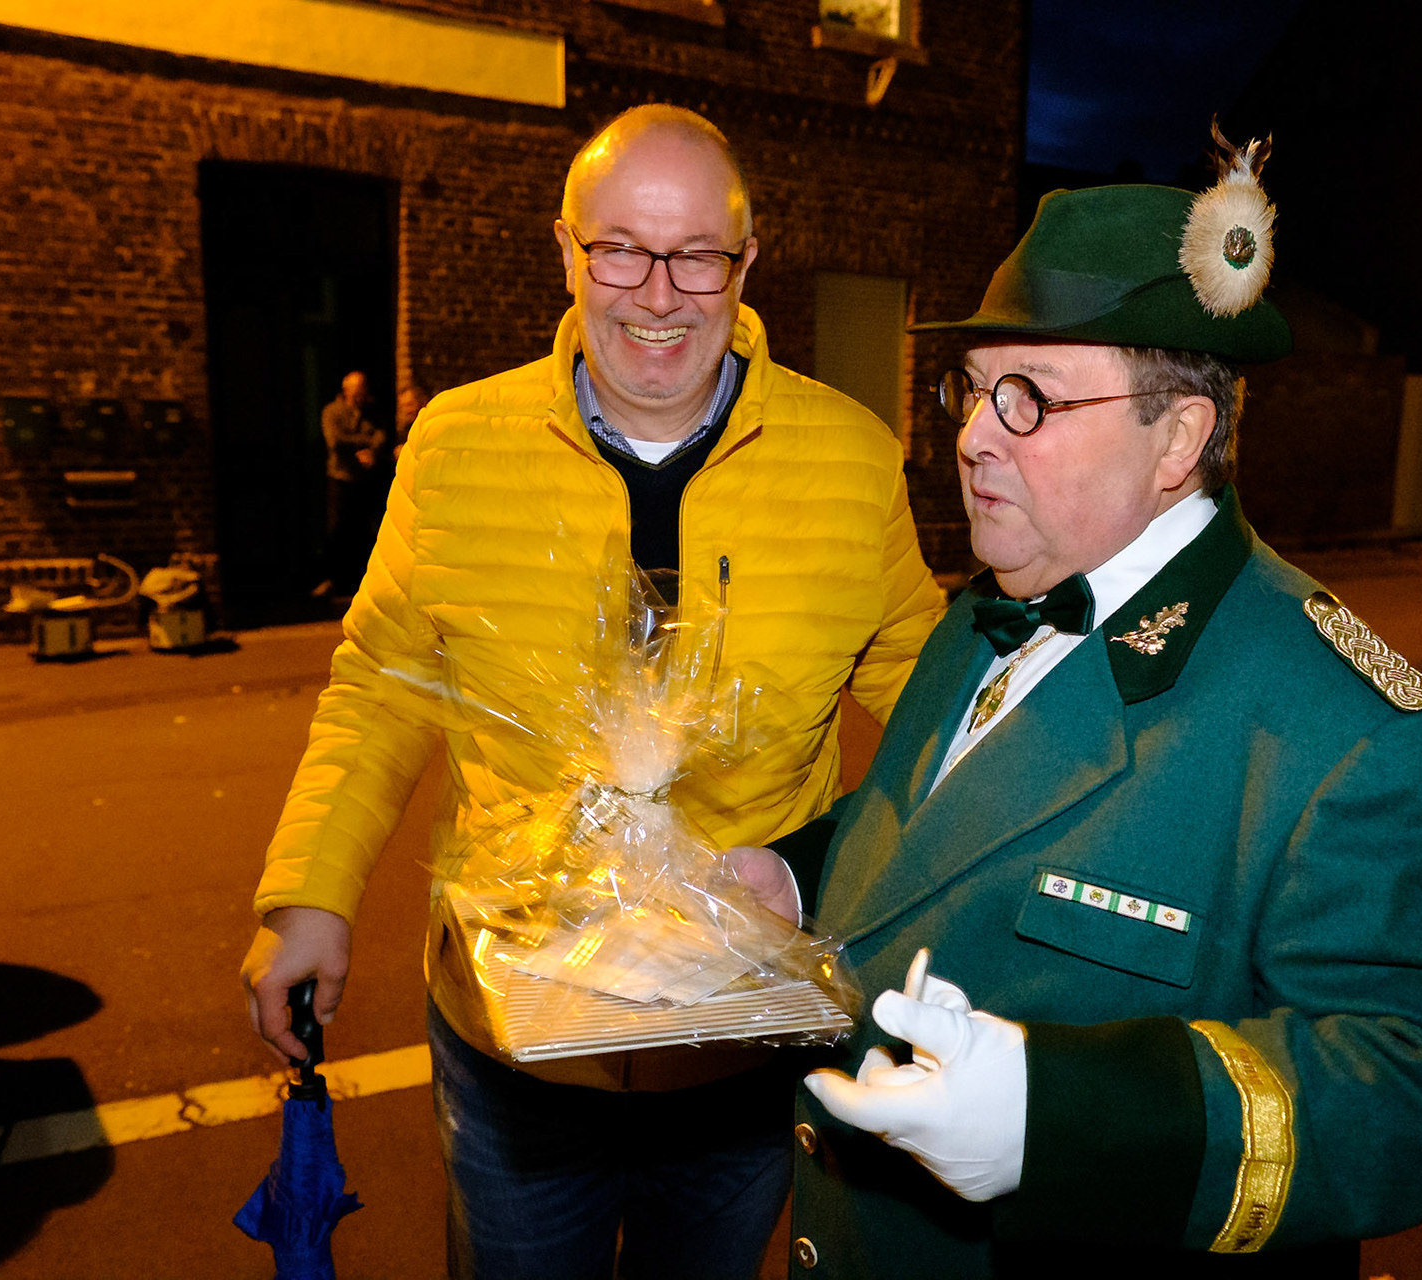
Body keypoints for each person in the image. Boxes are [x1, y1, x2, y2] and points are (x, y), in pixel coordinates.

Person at [738, 137, 1422, 1277]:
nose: (968, 436)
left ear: (1179, 438)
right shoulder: (989, 606)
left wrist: (1058, 1119)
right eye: (972, 388)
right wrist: (796, 874)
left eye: (1030, 399)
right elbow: (932, 825)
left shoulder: (1350, 733)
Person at [240, 105, 945, 1279]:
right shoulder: (459, 447)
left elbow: (936, 710)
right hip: (515, 1039)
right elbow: (379, 682)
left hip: (737, 1037)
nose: (657, 293)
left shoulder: (848, 455)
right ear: (565, 249)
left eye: (696, 255)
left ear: (747, 260)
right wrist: (311, 891)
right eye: (619, 247)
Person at [314, 370, 386, 599]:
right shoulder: (332, 411)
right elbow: (335, 441)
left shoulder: (373, 411)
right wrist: (363, 446)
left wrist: (372, 451)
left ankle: (368, 582)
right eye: (356, 392)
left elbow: (381, 435)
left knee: (368, 530)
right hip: (341, 478)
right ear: (346, 391)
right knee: (336, 530)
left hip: (366, 480)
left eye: (363, 392)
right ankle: (333, 580)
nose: (360, 397)